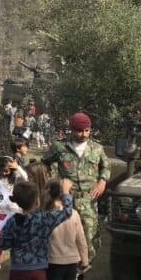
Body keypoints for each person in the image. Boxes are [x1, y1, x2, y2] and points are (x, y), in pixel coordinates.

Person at [43, 112, 110, 265]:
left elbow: (106, 166)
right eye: (79, 131)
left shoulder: (97, 148)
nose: (83, 134)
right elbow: (44, 162)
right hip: (66, 198)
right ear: (71, 130)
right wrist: (54, 181)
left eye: (87, 130)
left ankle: (82, 270)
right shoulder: (60, 147)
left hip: (88, 199)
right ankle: (65, 267)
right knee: (62, 234)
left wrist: (102, 181)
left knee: (88, 235)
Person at [0, 156, 27, 271]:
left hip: (14, 210)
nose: (5, 173)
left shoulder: (15, 177)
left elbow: (26, 177)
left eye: (7, 171)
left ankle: (16, 260)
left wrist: (18, 167)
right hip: (0, 211)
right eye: (3, 170)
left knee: (16, 236)